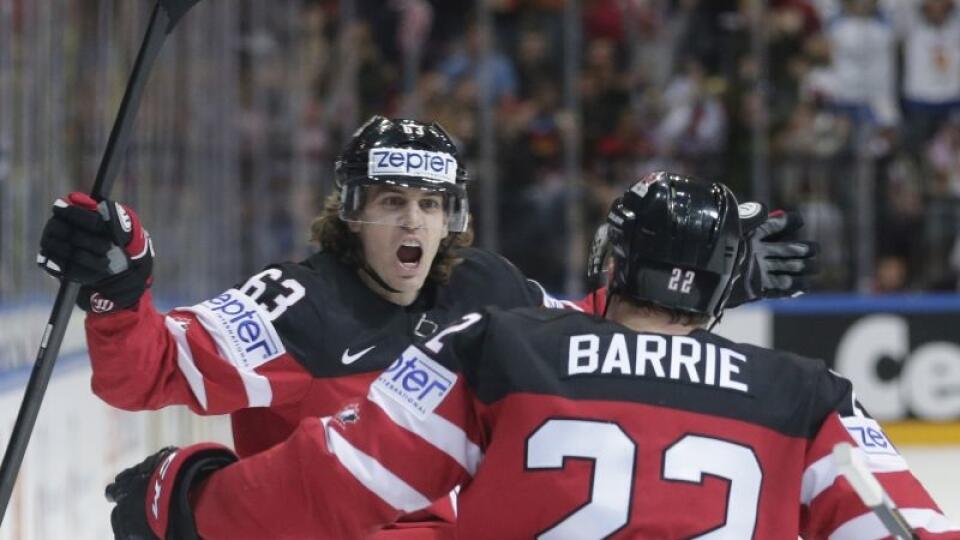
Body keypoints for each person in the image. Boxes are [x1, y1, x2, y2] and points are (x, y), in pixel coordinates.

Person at [39, 117, 814, 537]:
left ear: (453, 217)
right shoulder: (292, 305)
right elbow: (144, 370)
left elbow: (589, 343)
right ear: (352, 212)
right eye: (392, 201)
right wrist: (117, 286)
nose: (414, 221)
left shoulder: (489, 284)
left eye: (431, 205)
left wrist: (688, 285)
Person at [105, 172, 958, 539]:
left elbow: (333, 485)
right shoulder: (809, 395)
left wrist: (188, 503)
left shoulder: (500, 347)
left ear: (609, 261)